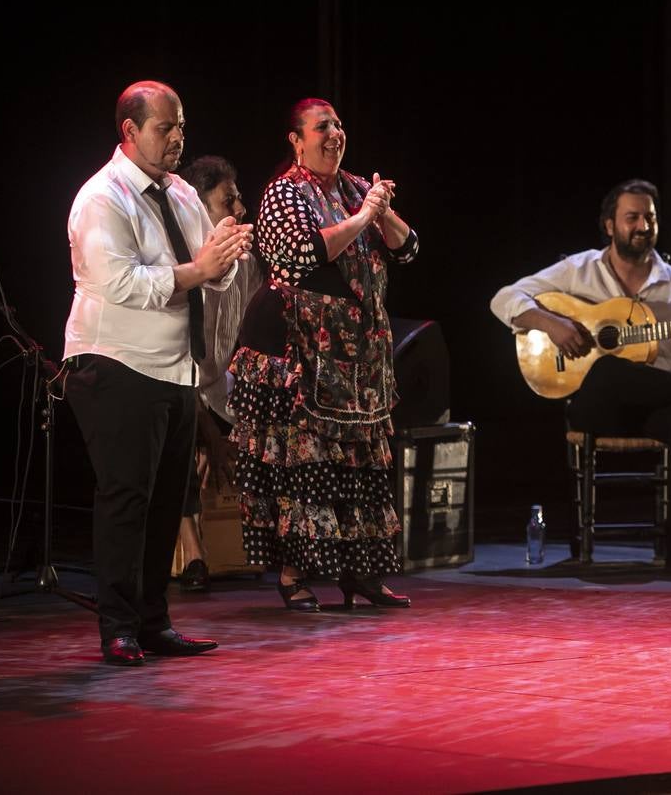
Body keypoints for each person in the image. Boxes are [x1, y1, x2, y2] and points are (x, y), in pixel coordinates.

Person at [490, 179, 671, 574]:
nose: (643, 226)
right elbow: (503, 298)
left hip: (656, 408)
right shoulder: (577, 271)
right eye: (632, 218)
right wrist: (552, 324)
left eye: (650, 217)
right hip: (597, 407)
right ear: (609, 225)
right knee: (610, 367)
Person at [63, 81, 253, 665]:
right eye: (164, 128)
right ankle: (117, 626)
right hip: (117, 363)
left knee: (169, 500)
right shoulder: (103, 197)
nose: (177, 139)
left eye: (180, 127)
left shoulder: (178, 193)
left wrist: (223, 256)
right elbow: (119, 283)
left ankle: (152, 621)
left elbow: (206, 273)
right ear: (130, 131)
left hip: (174, 369)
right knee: (127, 498)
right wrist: (201, 268)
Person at [229, 98, 418, 612]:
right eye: (321, 127)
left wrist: (382, 211)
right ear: (296, 139)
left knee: (360, 468)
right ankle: (293, 575)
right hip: (300, 352)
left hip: (358, 361)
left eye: (338, 125)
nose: (334, 134)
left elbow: (408, 248)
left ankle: (362, 574)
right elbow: (304, 253)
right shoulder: (282, 193)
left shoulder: (358, 188)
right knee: (305, 464)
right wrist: (363, 217)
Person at [173, 156, 262, 592]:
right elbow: (179, 366)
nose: (241, 209)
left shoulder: (247, 262)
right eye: (229, 201)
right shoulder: (185, 265)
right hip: (181, 387)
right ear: (199, 208)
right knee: (175, 429)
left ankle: (264, 545)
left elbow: (248, 342)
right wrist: (210, 436)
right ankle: (194, 553)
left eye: (239, 197)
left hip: (222, 388)